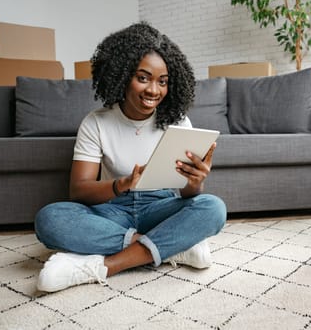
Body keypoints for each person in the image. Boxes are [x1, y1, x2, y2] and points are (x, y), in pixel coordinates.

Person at [34, 22, 227, 293]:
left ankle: (105, 265)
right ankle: (171, 248)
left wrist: (196, 181)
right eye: (143, 78)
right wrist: (120, 185)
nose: (153, 90)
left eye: (163, 81)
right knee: (49, 219)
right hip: (113, 209)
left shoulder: (178, 121)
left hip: (160, 206)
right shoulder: (96, 123)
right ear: (122, 75)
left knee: (213, 208)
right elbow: (78, 191)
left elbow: (187, 194)